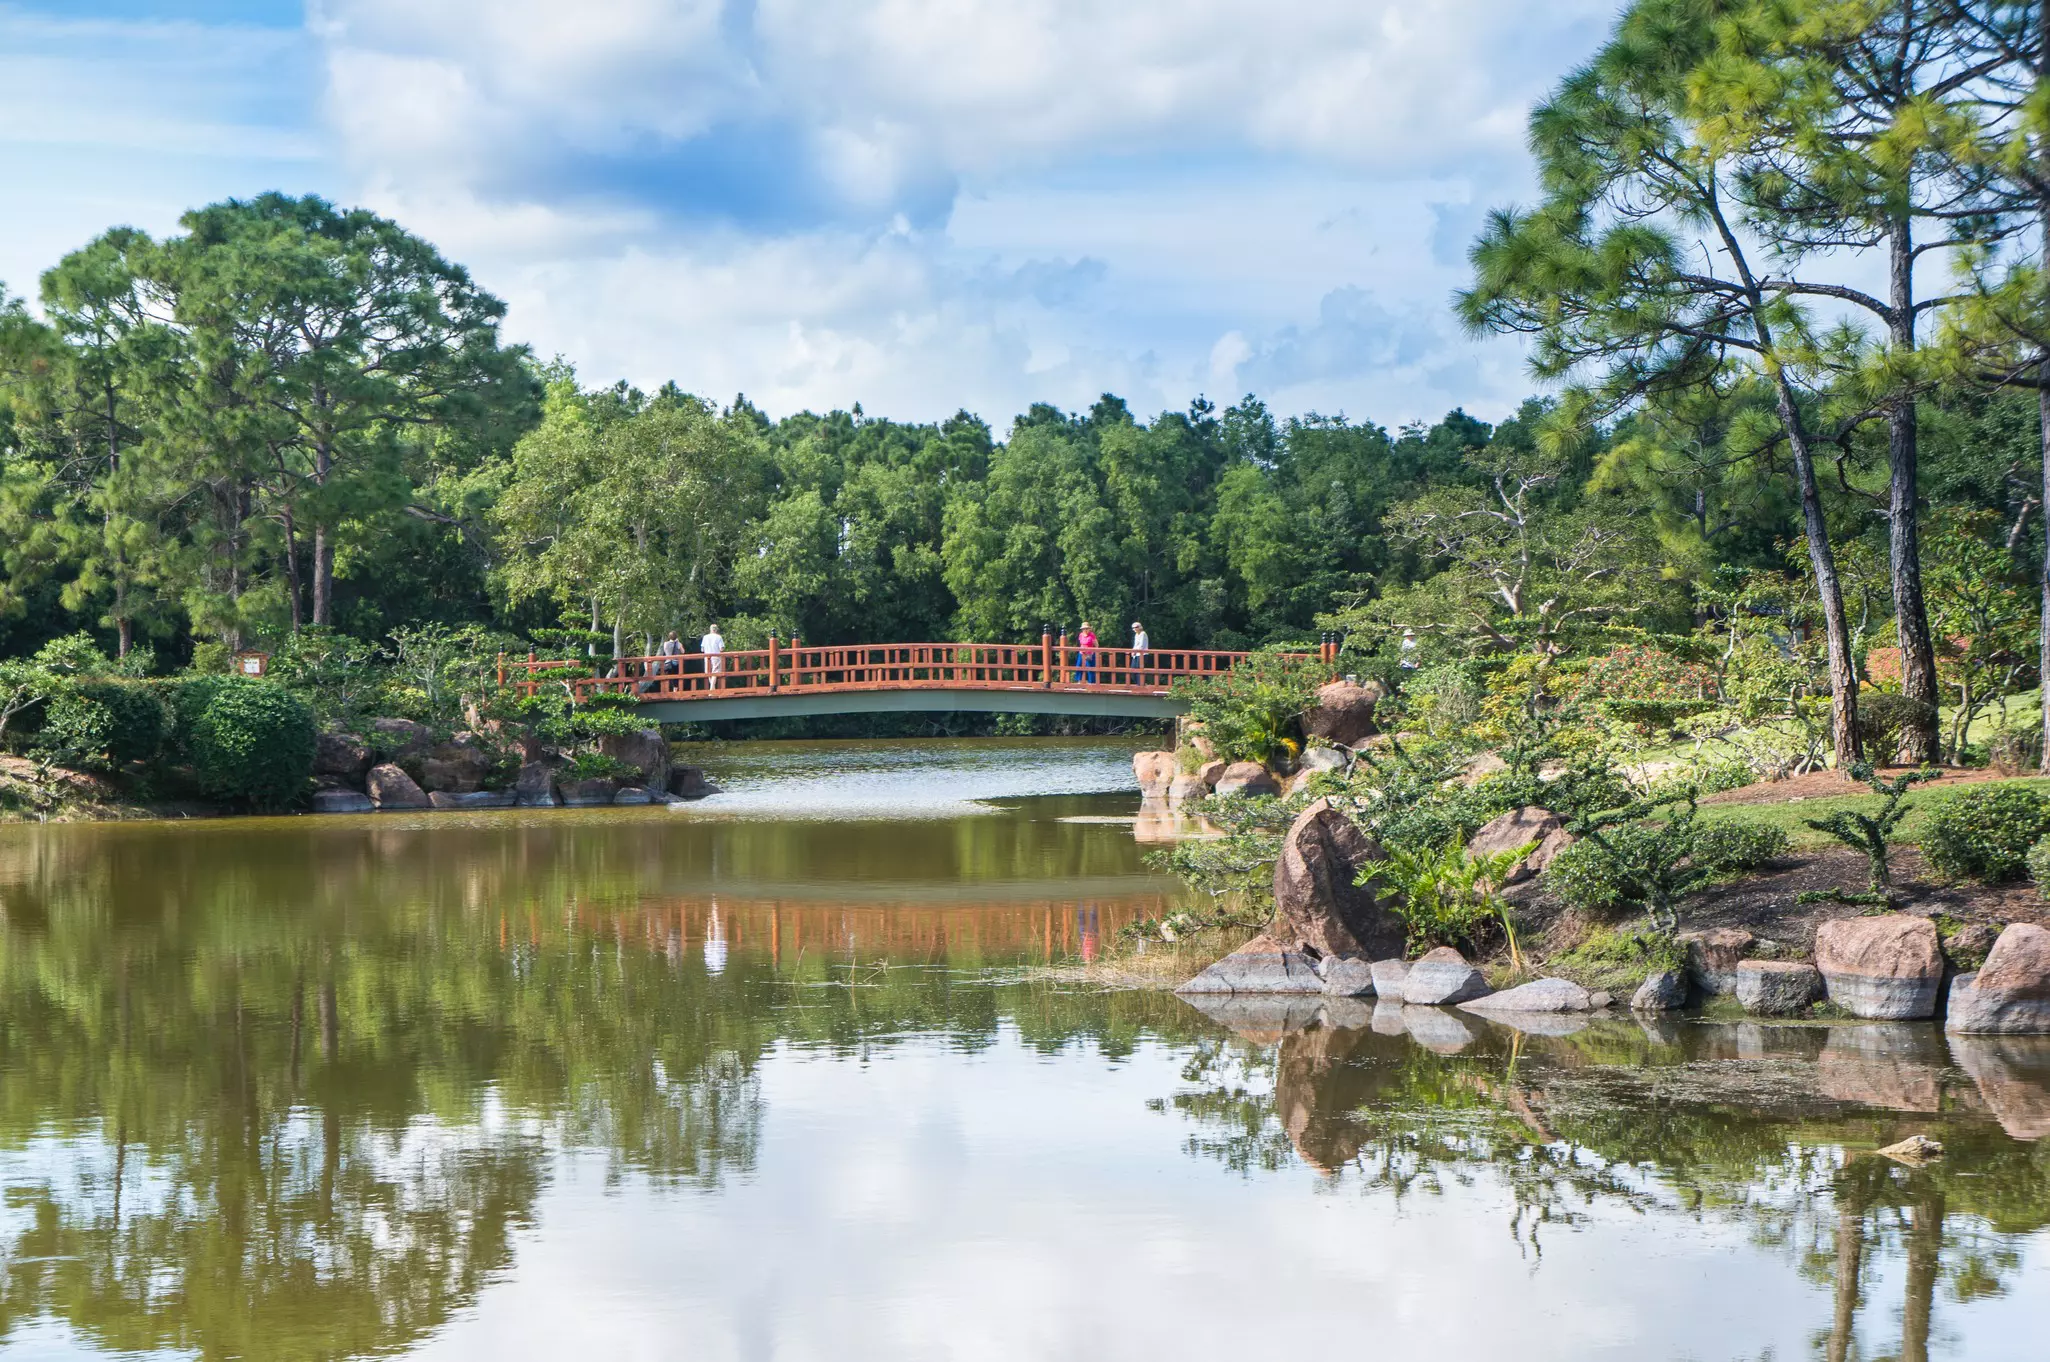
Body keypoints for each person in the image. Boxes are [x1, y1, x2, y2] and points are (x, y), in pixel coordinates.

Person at [700, 623, 725, 689]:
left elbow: (702, 649)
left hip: (707, 656)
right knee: (715, 672)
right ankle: (712, 688)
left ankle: (712, 688)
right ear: (716, 630)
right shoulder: (719, 637)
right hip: (716, 656)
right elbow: (721, 648)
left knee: (708, 672)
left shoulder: (705, 637)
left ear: (710, 629)